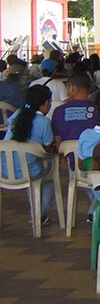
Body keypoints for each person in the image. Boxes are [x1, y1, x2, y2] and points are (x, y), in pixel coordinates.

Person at [4, 85, 56, 225]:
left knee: (29, 165)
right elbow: (48, 149)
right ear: (46, 103)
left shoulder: (17, 115)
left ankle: (38, 214)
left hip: (4, 171)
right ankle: (39, 215)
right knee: (49, 177)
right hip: (28, 172)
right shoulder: (44, 122)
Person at [51, 73, 97, 149]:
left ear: (72, 88)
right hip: (91, 158)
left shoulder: (58, 112)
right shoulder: (98, 110)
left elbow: (58, 145)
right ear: (89, 89)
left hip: (68, 158)